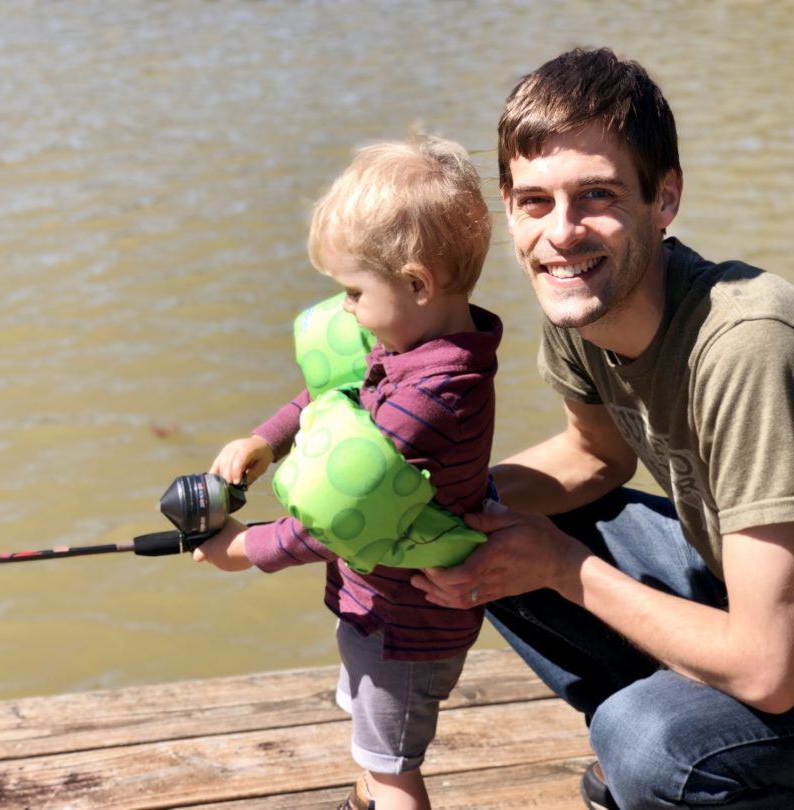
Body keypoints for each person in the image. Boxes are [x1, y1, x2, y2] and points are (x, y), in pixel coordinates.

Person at [411, 47, 794, 809]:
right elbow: (595, 456)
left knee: (647, 742)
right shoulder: (583, 298)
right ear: (507, 205)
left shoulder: (752, 344)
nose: (561, 234)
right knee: (474, 524)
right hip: (759, 591)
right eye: (534, 202)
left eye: (596, 195)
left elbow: (771, 668)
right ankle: (707, 740)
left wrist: (565, 567)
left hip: (786, 644)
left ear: (665, 200)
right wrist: (434, 498)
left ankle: (698, 752)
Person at [193, 135, 501, 810]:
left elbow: (341, 519)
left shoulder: (436, 395)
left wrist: (242, 550)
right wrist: (266, 441)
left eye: (354, 292)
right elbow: (328, 395)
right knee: (368, 734)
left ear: (417, 283)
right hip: (375, 607)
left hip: (409, 621)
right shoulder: (409, 345)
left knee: (392, 766)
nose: (346, 311)